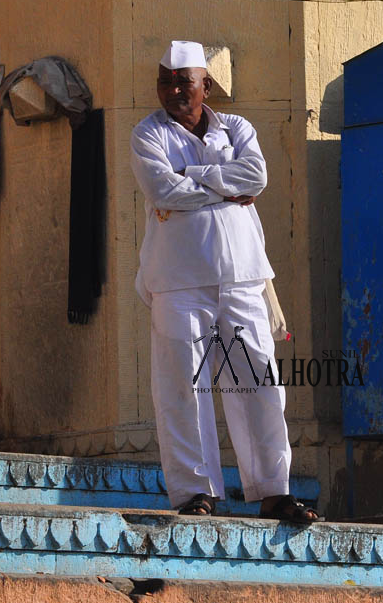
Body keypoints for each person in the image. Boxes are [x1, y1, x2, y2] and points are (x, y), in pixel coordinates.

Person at [130, 40, 318, 523]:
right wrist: (225, 188)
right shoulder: (147, 135)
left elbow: (255, 176)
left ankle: (273, 491)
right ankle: (196, 493)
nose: (173, 90)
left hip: (241, 278)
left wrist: (192, 177)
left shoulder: (237, 128)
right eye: (165, 81)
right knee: (181, 388)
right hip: (177, 281)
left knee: (258, 382)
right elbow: (160, 188)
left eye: (183, 81)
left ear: (205, 86)